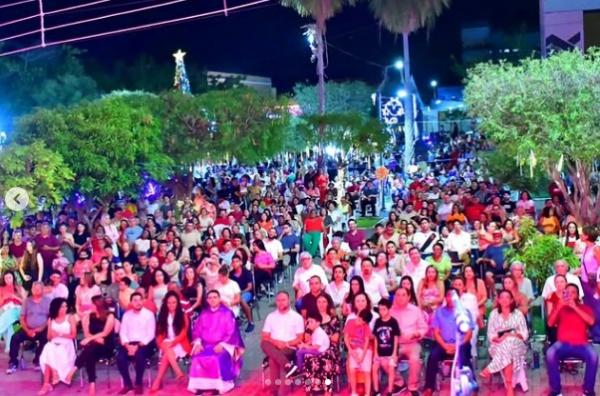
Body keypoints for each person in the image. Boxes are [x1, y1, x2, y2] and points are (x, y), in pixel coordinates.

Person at [187, 289, 244, 394]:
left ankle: (221, 385)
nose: (212, 300)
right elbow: (197, 330)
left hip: (224, 345)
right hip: (205, 345)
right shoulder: (203, 314)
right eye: (210, 298)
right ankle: (200, 386)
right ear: (207, 300)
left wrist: (223, 344)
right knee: (197, 359)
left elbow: (232, 332)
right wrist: (198, 343)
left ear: (219, 299)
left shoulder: (227, 313)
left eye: (215, 297)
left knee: (216, 358)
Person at [545, 283, 597, 396]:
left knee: (593, 355)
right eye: (567, 292)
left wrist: (575, 307)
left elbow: (591, 321)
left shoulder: (585, 308)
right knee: (550, 353)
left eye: (573, 292)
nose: (570, 294)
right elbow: (549, 323)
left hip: (582, 344)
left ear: (578, 296)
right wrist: (558, 306)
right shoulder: (560, 308)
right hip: (562, 344)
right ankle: (555, 391)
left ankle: (588, 391)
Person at [423, 288, 474, 396]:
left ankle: (471, 387)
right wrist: (445, 346)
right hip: (443, 343)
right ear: (446, 298)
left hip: (461, 343)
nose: (451, 298)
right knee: (432, 356)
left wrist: (458, 346)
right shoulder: (439, 312)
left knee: (464, 356)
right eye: (449, 296)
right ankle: (429, 387)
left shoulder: (465, 312)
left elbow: (469, 333)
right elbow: (436, 333)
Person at [69, 295, 115, 396]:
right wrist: (94, 338)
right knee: (90, 352)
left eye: (92, 304)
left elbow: (105, 333)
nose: (90, 306)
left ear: (98, 305)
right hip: (95, 344)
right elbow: (86, 333)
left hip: (107, 345)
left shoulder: (110, 316)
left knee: (89, 350)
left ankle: (75, 369)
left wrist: (91, 338)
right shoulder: (90, 316)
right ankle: (92, 384)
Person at [260, 291, 304, 396]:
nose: (281, 303)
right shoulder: (271, 316)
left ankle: (274, 392)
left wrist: (285, 343)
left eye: (283, 300)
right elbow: (264, 336)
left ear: (289, 301)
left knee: (272, 359)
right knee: (263, 343)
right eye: (278, 300)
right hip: (273, 346)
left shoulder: (297, 317)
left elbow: (299, 338)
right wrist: (276, 342)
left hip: (290, 347)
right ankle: (288, 366)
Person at [116, 292, 156, 395]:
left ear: (143, 301)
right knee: (120, 358)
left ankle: (138, 383)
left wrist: (137, 346)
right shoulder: (126, 315)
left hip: (144, 343)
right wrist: (127, 346)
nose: (138, 302)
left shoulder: (149, 314)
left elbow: (151, 334)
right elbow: (123, 332)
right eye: (135, 300)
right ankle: (128, 384)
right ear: (131, 302)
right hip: (128, 343)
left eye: (139, 300)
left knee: (139, 356)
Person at [151, 291, 191, 393]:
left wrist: (172, 343)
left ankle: (158, 380)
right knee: (167, 349)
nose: (171, 305)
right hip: (166, 342)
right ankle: (178, 372)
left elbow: (184, 333)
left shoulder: (183, 315)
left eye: (174, 302)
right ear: (166, 303)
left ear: (177, 303)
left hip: (180, 343)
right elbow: (159, 333)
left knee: (166, 354)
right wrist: (161, 344)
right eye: (169, 303)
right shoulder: (162, 315)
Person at [301, 294, 341, 395]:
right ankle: (310, 389)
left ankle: (327, 390)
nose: (321, 304)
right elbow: (307, 337)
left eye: (324, 302)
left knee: (325, 358)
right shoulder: (311, 319)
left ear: (328, 303)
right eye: (319, 302)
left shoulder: (334, 319)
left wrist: (322, 338)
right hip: (315, 347)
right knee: (308, 356)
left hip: (330, 348)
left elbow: (335, 339)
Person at [390, 287, 427, 396]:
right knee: (385, 360)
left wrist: (417, 333)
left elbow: (423, 327)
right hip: (396, 345)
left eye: (403, 295)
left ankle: (412, 386)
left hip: (413, 343)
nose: (400, 297)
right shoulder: (390, 311)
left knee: (415, 359)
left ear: (409, 297)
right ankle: (399, 382)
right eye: (398, 295)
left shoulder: (415, 310)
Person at [7, 281, 50, 373]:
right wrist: (27, 330)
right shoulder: (27, 301)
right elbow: (22, 318)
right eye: (35, 289)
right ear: (32, 290)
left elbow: (49, 318)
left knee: (45, 339)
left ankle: (37, 360)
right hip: (27, 329)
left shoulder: (48, 301)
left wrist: (41, 328)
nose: (36, 290)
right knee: (14, 338)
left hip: (42, 329)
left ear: (42, 290)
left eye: (39, 289)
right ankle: (13, 362)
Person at [38, 297, 77, 395]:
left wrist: (60, 334)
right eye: (62, 307)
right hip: (54, 343)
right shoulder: (51, 319)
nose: (65, 309)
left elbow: (73, 335)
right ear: (56, 308)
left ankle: (50, 378)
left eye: (66, 307)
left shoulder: (70, 317)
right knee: (49, 347)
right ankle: (50, 379)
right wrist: (52, 333)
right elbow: (49, 337)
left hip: (67, 343)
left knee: (50, 350)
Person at [372, 298, 402, 396]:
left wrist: (394, 353)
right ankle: (376, 391)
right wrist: (376, 353)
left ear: (389, 309)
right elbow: (376, 338)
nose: (381, 312)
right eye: (380, 309)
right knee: (374, 368)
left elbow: (396, 338)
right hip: (380, 352)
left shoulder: (393, 322)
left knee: (391, 368)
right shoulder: (377, 321)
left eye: (384, 309)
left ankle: (389, 391)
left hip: (391, 352)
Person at [344, 309, 373, 396]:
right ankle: (354, 392)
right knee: (352, 370)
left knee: (367, 371)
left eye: (363, 321)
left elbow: (367, 342)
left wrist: (362, 357)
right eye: (360, 319)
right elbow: (346, 338)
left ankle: (367, 394)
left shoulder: (366, 326)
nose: (360, 322)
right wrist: (351, 351)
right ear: (358, 315)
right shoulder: (350, 322)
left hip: (365, 351)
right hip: (353, 349)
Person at [0, 271, 26, 352]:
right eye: (6, 278)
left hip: (17, 309)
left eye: (10, 277)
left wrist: (15, 297)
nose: (8, 280)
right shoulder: (1, 288)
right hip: (4, 310)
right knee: (9, 324)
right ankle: (9, 346)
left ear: (13, 278)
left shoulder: (19, 288)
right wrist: (4, 298)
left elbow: (26, 303)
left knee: (9, 314)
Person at [229, 255, 255, 332]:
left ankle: (250, 322)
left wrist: (240, 293)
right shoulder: (230, 274)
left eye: (236, 261)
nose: (234, 263)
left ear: (240, 262)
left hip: (247, 292)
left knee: (241, 299)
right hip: (234, 294)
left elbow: (249, 287)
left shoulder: (246, 272)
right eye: (233, 262)